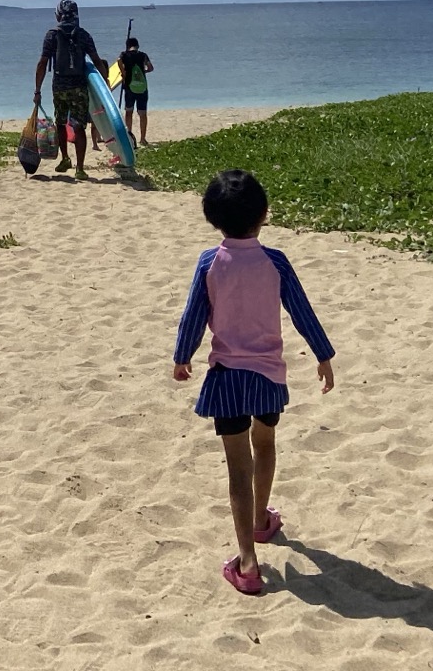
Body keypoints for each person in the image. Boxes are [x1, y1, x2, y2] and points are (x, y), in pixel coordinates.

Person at [172, 169, 335, 595]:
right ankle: (262, 520)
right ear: (264, 214)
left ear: (213, 218)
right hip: (267, 378)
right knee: (265, 446)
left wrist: (182, 356)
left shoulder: (209, 262)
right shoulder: (275, 261)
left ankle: (246, 562)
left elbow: (194, 315)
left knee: (237, 468)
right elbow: (302, 311)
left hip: (226, 379)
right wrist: (323, 354)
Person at [33, 0, 108, 178]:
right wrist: (105, 86)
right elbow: (97, 61)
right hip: (79, 87)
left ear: (59, 15)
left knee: (60, 122)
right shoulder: (83, 35)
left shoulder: (52, 35)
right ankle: (80, 168)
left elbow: (42, 63)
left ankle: (66, 158)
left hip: (59, 86)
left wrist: (37, 90)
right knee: (79, 127)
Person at [117, 36, 154, 145]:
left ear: (128, 46)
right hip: (142, 87)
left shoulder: (124, 55)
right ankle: (143, 138)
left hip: (129, 86)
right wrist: (143, 72)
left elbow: (118, 61)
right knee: (142, 113)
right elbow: (151, 68)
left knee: (129, 112)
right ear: (137, 45)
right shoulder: (143, 55)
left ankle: (130, 135)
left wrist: (123, 72)